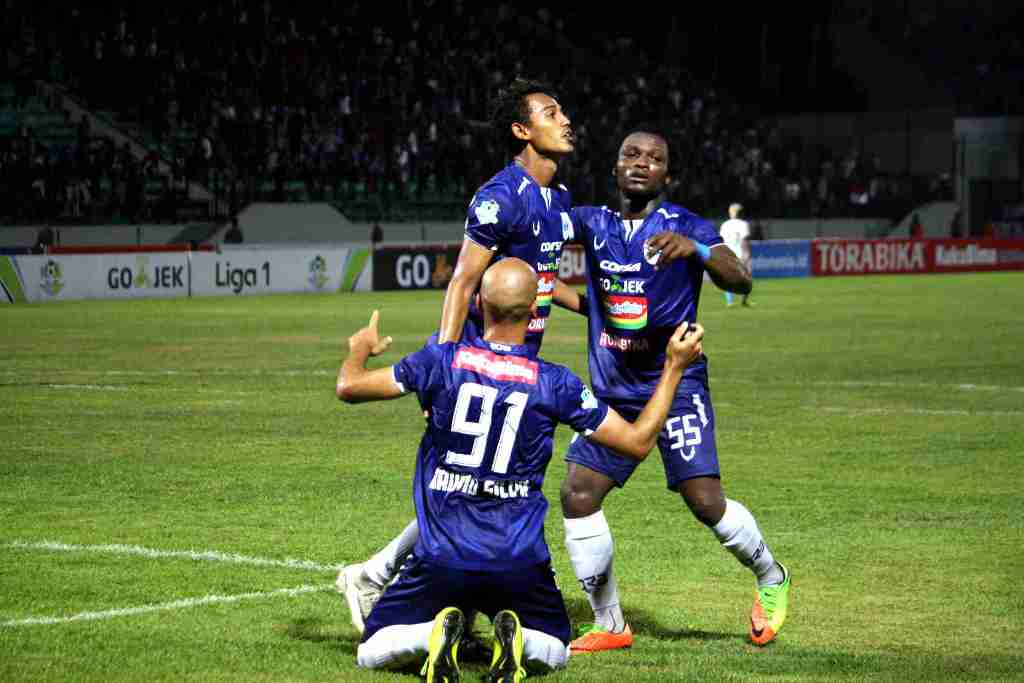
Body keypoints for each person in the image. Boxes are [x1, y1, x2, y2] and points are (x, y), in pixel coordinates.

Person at [339, 258, 706, 681]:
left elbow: (349, 387)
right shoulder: (556, 383)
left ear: (478, 303)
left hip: (442, 556)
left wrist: (359, 350)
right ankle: (517, 641)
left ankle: (433, 637)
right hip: (517, 561)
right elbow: (639, 441)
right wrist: (675, 367)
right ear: (536, 310)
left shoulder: (439, 360)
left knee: (370, 650)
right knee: (556, 651)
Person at [336, 76, 580, 617]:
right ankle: (379, 576)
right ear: (522, 130)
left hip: (519, 358)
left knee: (479, 484)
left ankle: (380, 576)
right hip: (475, 358)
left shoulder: (557, 198)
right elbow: (464, 282)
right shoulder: (500, 196)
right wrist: (444, 364)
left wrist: (586, 305)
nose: (565, 120)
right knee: (475, 483)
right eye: (550, 112)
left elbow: (541, 277)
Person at [554, 130, 788, 651]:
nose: (641, 164)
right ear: (615, 168)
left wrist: (698, 250)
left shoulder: (687, 226)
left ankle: (772, 576)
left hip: (675, 383)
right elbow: (537, 233)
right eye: (631, 156)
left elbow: (741, 279)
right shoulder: (592, 223)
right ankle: (610, 623)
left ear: (668, 175)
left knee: (704, 502)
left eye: (655, 159)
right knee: (578, 493)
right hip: (613, 390)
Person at [719, 203, 753, 307]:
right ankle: (744, 301)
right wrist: (747, 254)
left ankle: (729, 302)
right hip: (740, 254)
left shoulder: (725, 225)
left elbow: (721, 241)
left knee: (728, 278)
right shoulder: (743, 224)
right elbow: (744, 241)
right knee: (747, 277)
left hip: (727, 254)